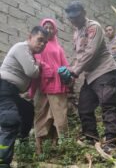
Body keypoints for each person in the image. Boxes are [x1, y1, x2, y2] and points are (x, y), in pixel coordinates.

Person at [65, 1, 116, 153]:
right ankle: (91, 138)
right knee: (84, 106)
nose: (74, 21)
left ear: (83, 12)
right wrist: (72, 72)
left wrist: (75, 71)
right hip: (90, 76)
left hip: (104, 71)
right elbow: (79, 56)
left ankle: (112, 141)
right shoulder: (76, 33)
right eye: (71, 19)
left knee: (108, 104)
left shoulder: (94, 27)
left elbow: (90, 52)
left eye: (76, 17)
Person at [0, 26, 48, 167]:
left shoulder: (30, 54)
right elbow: (32, 72)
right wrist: (38, 66)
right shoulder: (22, 47)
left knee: (27, 110)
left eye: (45, 42)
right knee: (10, 120)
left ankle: (23, 143)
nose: (42, 44)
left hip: (12, 91)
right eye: (39, 40)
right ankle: (2, 161)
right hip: (3, 87)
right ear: (29, 37)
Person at [29, 18, 69, 154]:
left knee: (59, 116)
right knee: (40, 114)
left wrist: (68, 75)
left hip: (57, 84)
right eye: (45, 27)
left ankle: (60, 147)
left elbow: (65, 65)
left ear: (55, 30)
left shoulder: (59, 48)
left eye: (51, 27)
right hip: (42, 84)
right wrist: (45, 68)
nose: (48, 29)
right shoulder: (40, 44)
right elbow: (35, 60)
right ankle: (39, 148)